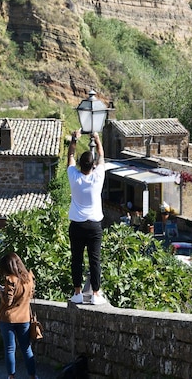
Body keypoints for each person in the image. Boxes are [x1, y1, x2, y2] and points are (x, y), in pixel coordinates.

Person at [67, 129, 107, 305]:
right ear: (92, 166)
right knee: (94, 259)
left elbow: (70, 156)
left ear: (80, 165)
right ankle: (96, 294)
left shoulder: (73, 176)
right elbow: (101, 155)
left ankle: (77, 292)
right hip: (94, 226)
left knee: (76, 259)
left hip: (76, 224)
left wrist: (74, 139)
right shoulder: (98, 177)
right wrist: (97, 139)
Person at [0, 252, 37, 379]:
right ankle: (33, 376)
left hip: (8, 319)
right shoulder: (29, 278)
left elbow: (8, 301)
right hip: (24, 318)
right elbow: (29, 295)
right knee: (26, 348)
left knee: (9, 349)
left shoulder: (10, 279)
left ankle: (11, 376)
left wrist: (0, 291)